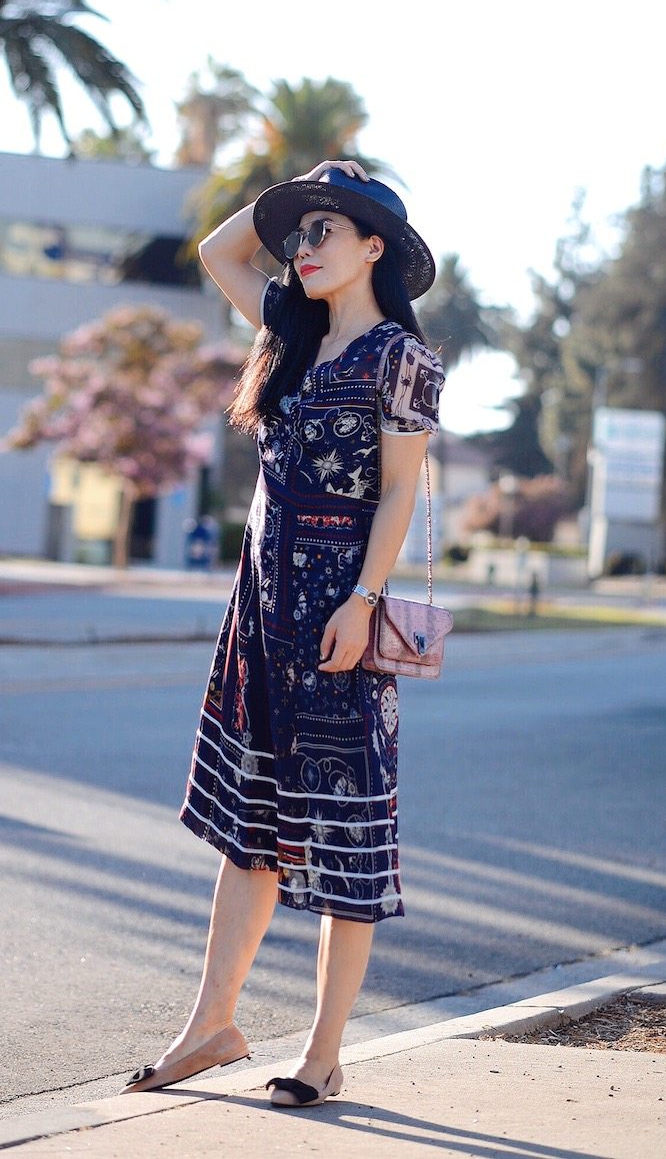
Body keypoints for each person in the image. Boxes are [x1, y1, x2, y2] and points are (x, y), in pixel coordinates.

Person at [124, 159, 444, 1107]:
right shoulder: (287, 332)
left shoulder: (403, 359)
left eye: (325, 233)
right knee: (249, 827)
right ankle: (211, 1025)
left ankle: (324, 1052)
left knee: (345, 826)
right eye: (298, 234)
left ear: (373, 248)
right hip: (262, 601)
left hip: (339, 606)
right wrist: (303, 190)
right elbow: (217, 247)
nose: (303, 249)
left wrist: (362, 599)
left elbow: (397, 491)